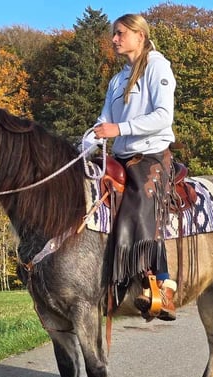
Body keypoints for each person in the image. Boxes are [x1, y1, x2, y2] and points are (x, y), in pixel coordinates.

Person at [86, 13, 177, 321]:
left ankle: (161, 285)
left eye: (120, 33)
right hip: (120, 157)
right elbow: (102, 124)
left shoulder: (157, 66)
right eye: (114, 34)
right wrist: (79, 152)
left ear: (140, 35)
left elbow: (164, 116)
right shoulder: (117, 80)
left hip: (151, 155)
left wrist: (120, 129)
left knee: (137, 204)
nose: (114, 39)